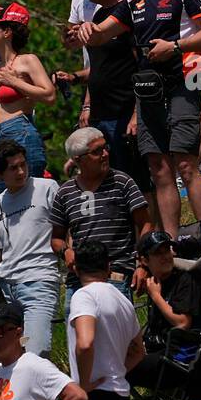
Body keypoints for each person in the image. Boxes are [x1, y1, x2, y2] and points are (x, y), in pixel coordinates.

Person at [76, 0, 201, 239]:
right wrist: (88, 29)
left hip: (183, 81)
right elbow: (102, 34)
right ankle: (170, 242)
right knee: (158, 167)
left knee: (185, 162)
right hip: (147, 89)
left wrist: (175, 46)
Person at [66, 241, 145, 400]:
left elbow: (85, 342)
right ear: (108, 267)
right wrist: (116, 369)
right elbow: (138, 351)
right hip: (116, 390)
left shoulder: (83, 296)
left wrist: (83, 383)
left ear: (76, 269)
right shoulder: (123, 300)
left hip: (98, 394)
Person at [50, 126, 149, 301]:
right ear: (78, 160)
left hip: (115, 275)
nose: (105, 154)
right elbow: (56, 238)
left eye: (105, 147)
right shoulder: (65, 192)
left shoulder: (122, 182)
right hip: (78, 281)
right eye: (97, 151)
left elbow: (145, 224)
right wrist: (66, 252)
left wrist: (143, 264)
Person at [71, 0, 139, 179]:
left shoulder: (129, 11)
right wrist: (87, 105)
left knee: (134, 181)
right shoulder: (99, 14)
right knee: (105, 181)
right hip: (100, 113)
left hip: (123, 112)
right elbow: (97, 66)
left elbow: (141, 65)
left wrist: (136, 114)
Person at [0, 138, 60, 358]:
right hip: (7, 287)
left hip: (38, 281)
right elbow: (0, 249)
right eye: (13, 168)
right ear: (0, 175)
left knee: (35, 352)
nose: (21, 171)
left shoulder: (47, 187)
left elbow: (65, 229)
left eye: (23, 164)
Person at [125, 232, 201, 393]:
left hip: (181, 356)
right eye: (158, 253)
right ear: (144, 260)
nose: (165, 256)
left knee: (120, 369)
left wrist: (156, 296)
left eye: (167, 250)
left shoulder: (184, 280)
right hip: (160, 350)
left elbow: (183, 323)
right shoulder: (156, 283)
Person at [0, 0, 55, 181]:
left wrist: (14, 82)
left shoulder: (27, 60)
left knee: (28, 197)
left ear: (7, 32)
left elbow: (50, 95)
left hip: (19, 131)